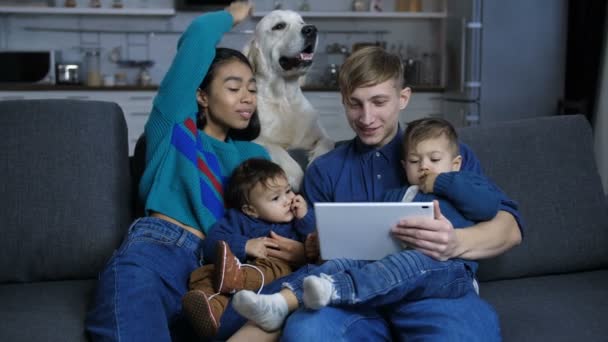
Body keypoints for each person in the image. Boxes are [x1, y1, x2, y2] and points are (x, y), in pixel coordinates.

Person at [223, 46, 523, 341]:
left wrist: (456, 242)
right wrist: (308, 250)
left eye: (379, 102)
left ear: (403, 98)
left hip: (434, 292)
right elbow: (317, 252)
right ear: (343, 101)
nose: (366, 117)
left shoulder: (443, 155)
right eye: (355, 104)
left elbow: (509, 230)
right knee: (307, 331)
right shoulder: (324, 170)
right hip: (352, 298)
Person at [84, 2, 278, 341]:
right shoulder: (176, 128)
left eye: (252, 89)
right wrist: (234, 13)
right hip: (162, 249)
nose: (247, 97)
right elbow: (200, 34)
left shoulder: (253, 155)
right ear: (201, 95)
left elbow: (271, 214)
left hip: (222, 269)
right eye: (234, 88)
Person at [230, 117, 507, 331]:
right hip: (393, 262)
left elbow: (488, 205)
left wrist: (441, 181)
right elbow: (375, 230)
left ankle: (337, 289)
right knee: (342, 263)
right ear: (403, 164)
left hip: (447, 270)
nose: (424, 166)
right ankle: (278, 302)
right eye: (415, 161)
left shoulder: (465, 182)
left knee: (410, 261)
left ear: (456, 163)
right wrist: (326, 240)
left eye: (434, 160)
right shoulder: (398, 195)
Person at [181, 158, 315, 338]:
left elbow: (315, 243)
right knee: (204, 274)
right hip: (233, 273)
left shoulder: (296, 220)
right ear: (251, 210)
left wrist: (305, 217)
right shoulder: (239, 220)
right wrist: (245, 245)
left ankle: (238, 279)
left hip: (275, 275)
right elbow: (211, 243)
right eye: (276, 198)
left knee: (277, 267)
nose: (288, 200)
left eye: (289, 191)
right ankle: (211, 309)